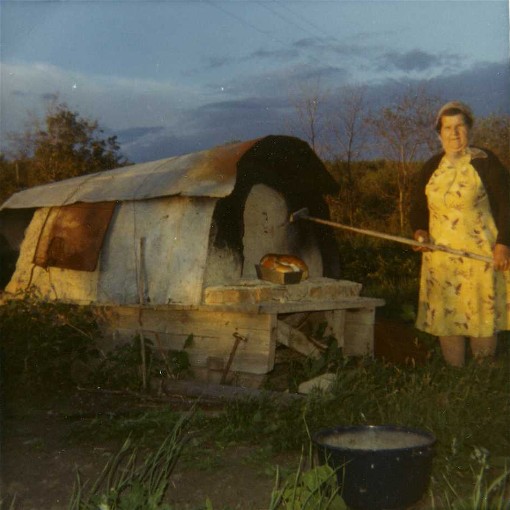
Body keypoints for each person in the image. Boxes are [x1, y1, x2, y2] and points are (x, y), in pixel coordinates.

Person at [410, 101, 510, 366]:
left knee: (479, 315)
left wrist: (503, 244)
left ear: (470, 129)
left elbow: (507, 204)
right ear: (439, 133)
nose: (454, 134)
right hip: (441, 260)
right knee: (448, 317)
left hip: (480, 257)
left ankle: (481, 380)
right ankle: (456, 378)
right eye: (447, 128)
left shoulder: (485, 162)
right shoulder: (432, 166)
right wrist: (419, 233)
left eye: (460, 127)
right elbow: (418, 209)